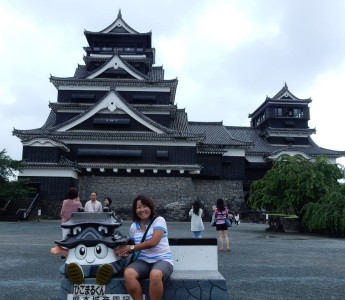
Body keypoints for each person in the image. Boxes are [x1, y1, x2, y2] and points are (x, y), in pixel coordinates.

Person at [117, 194, 173, 300]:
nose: (142, 210)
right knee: (128, 273)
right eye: (138, 207)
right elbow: (134, 247)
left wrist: (132, 248)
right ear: (135, 210)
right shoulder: (133, 227)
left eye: (145, 206)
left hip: (163, 260)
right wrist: (125, 252)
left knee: (155, 274)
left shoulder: (159, 220)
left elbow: (153, 242)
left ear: (150, 207)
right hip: (143, 261)